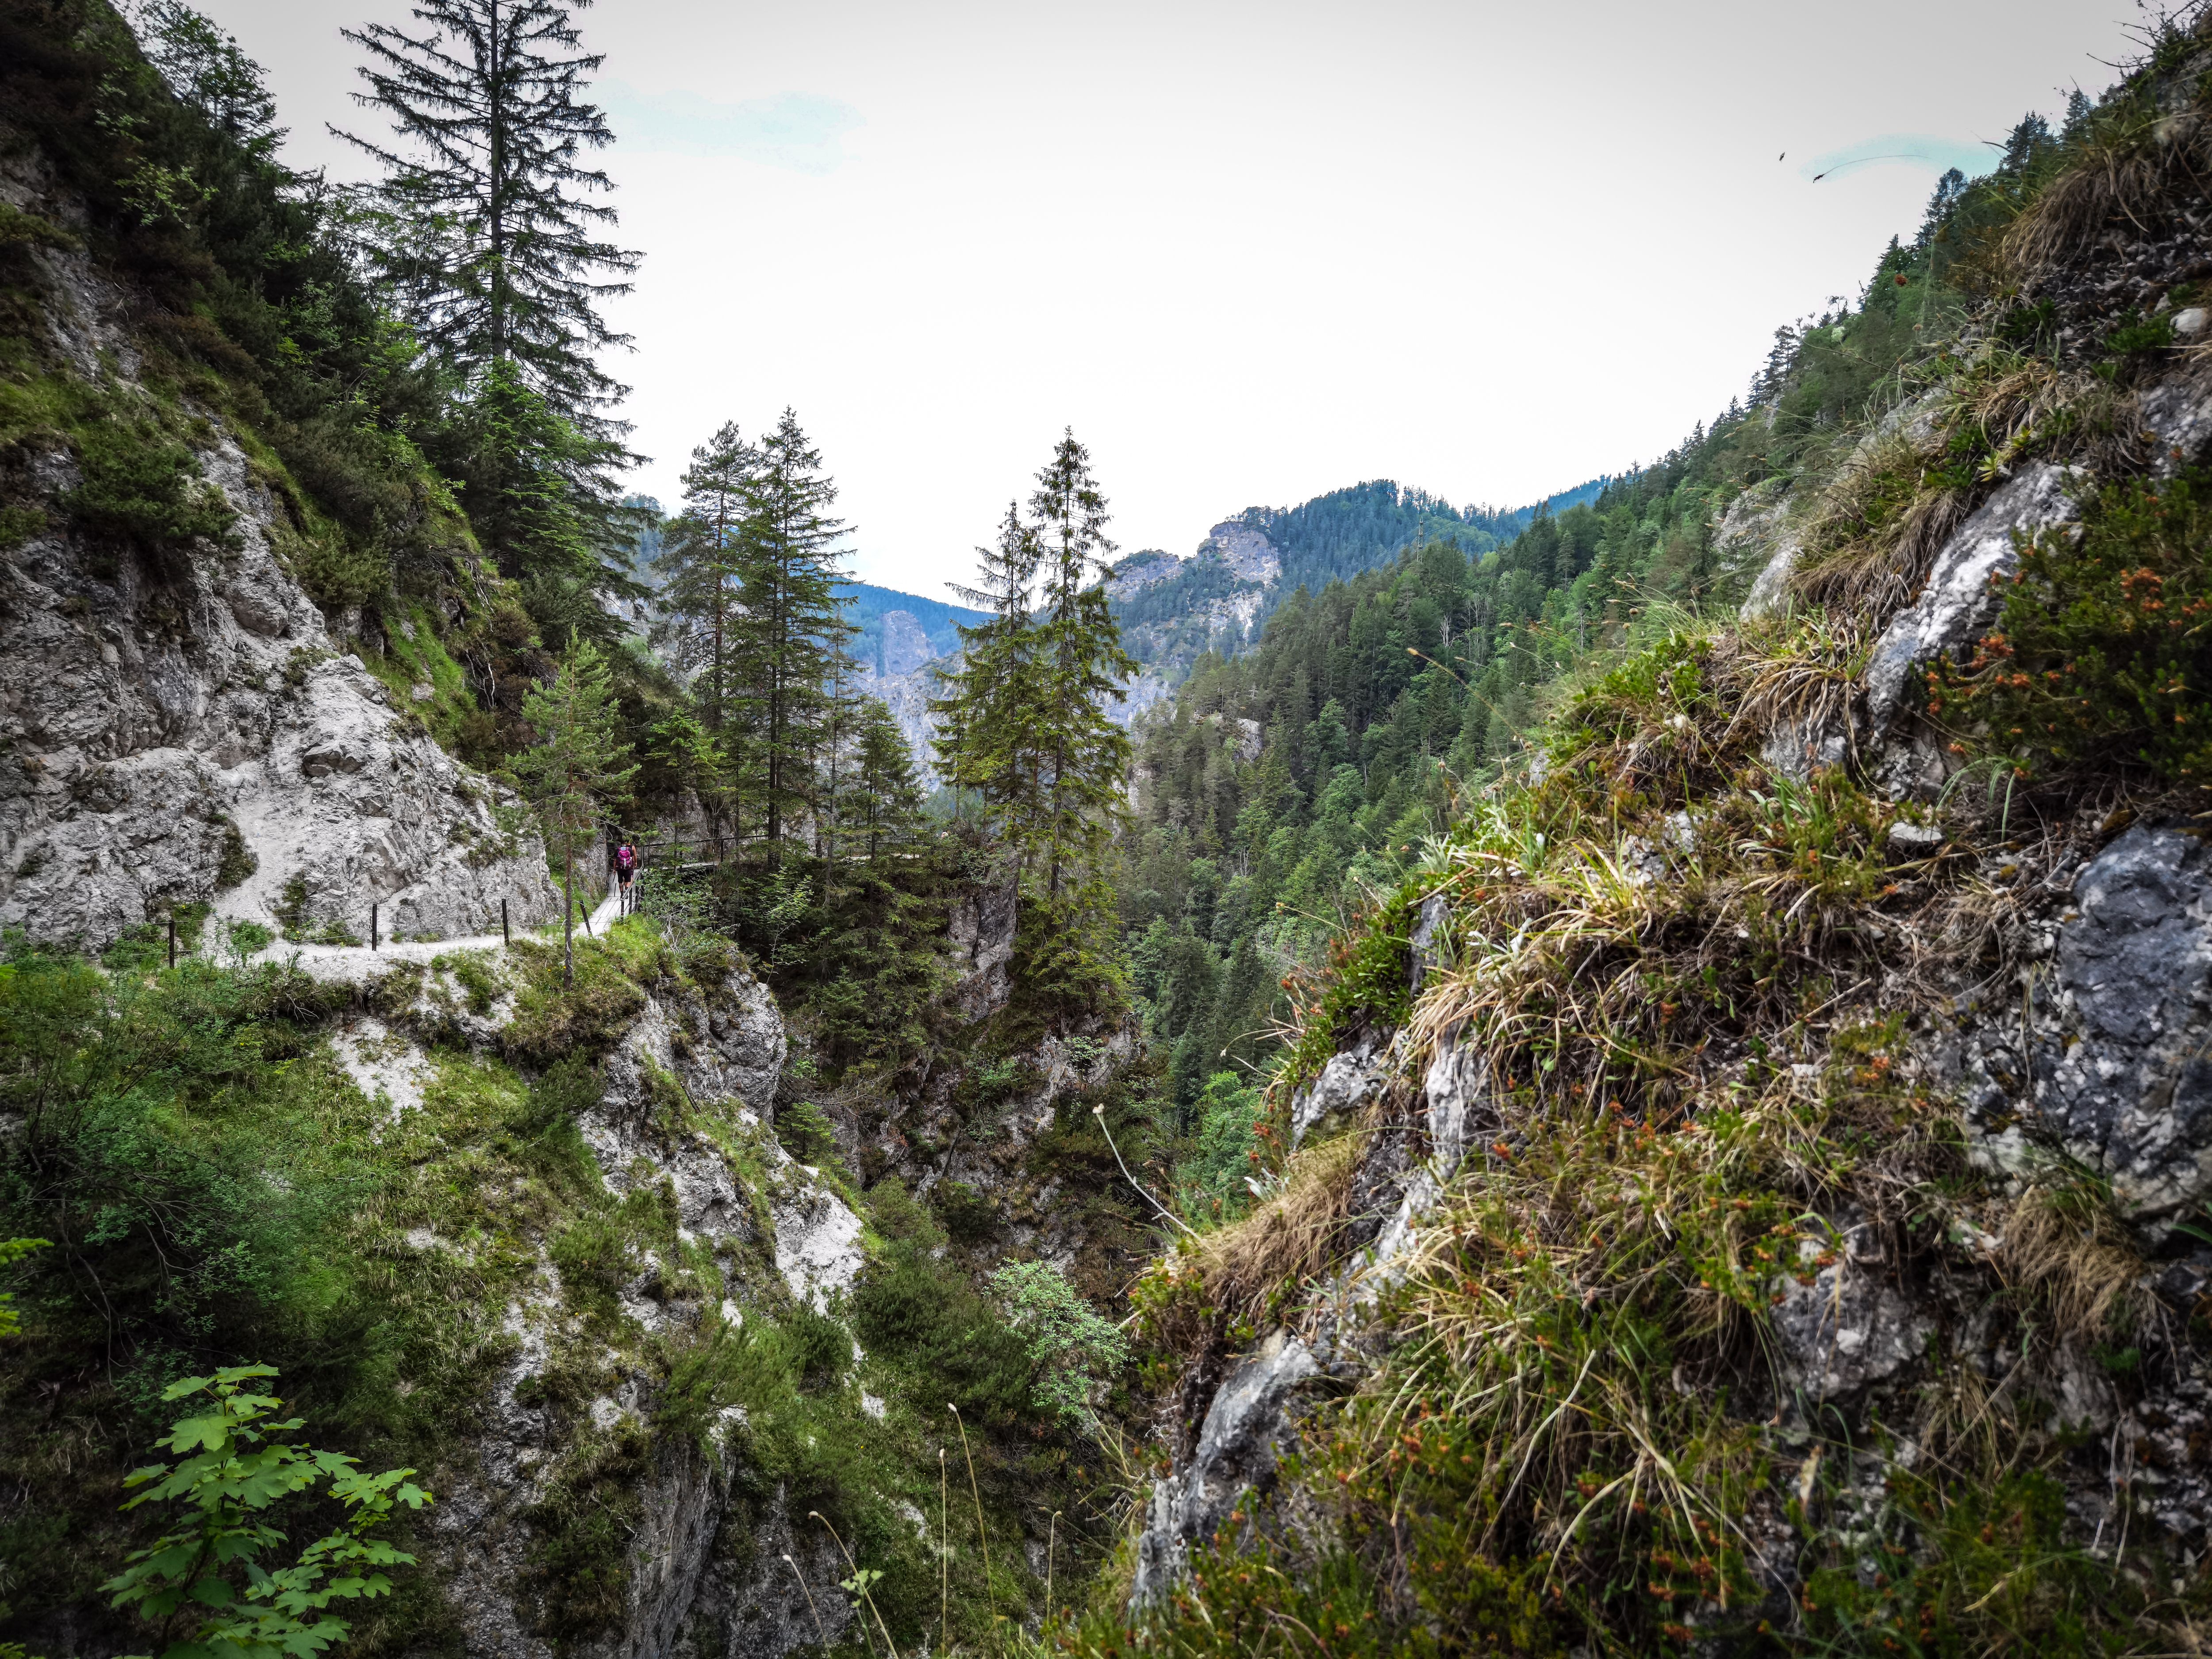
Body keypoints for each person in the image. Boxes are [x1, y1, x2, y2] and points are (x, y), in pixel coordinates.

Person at [615, 838, 637, 909]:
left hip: (620, 868)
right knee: (629, 879)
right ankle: (627, 889)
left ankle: (622, 894)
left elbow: (615, 860)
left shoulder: (618, 850)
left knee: (620, 881)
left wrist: (614, 869)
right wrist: (634, 864)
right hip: (628, 867)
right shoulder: (631, 848)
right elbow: (634, 857)